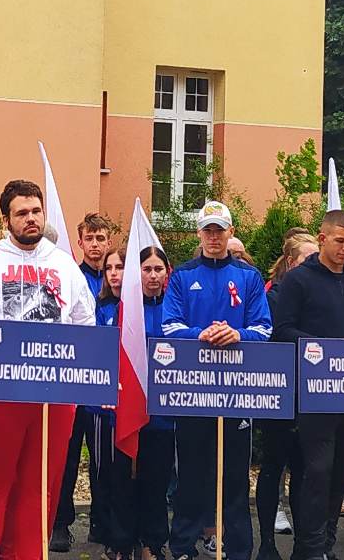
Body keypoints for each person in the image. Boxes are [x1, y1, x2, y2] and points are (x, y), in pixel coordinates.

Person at [0, 180, 97, 560]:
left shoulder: (62, 263)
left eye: (35, 211)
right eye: (21, 213)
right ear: (6, 219)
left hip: (53, 396)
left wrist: (83, 375)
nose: (30, 219)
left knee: (39, 489)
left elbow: (86, 322)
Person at [163, 201, 274, 560]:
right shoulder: (182, 275)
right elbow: (170, 327)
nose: (214, 237)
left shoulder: (248, 277)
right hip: (192, 391)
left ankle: (239, 548)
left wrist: (236, 335)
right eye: (208, 230)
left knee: (235, 478)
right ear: (199, 233)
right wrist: (202, 334)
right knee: (191, 474)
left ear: (231, 233)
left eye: (220, 230)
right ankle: (183, 547)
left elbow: (264, 329)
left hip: (237, 392)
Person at [270, 210, 344, 560]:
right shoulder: (299, 280)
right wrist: (319, 349)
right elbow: (282, 329)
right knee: (317, 470)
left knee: (341, 473)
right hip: (313, 393)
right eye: (341, 241)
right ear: (322, 238)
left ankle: (326, 544)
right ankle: (309, 548)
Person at [97, 245, 176, 560]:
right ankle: (120, 542)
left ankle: (152, 543)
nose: (153, 276)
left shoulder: (173, 310)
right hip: (125, 414)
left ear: (167, 272)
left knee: (156, 482)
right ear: (136, 273)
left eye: (159, 269)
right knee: (123, 481)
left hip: (162, 415)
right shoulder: (118, 310)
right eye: (147, 269)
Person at [55, 212, 117, 552]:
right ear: (80, 242)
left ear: (109, 242)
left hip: (102, 389)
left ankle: (100, 520)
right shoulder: (68, 278)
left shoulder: (117, 281)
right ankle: (61, 523)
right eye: (89, 239)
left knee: (102, 460)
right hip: (69, 384)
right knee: (65, 458)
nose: (95, 245)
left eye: (100, 239)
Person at [257, 233, 317, 560]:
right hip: (280, 394)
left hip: (311, 396)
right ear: (292, 262)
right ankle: (266, 543)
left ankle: (302, 547)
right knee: (273, 467)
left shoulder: (321, 294)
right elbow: (277, 335)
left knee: (304, 473)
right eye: (308, 259)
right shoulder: (275, 296)